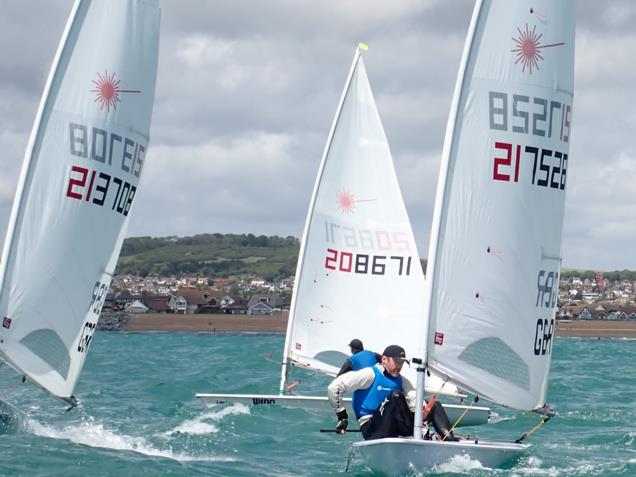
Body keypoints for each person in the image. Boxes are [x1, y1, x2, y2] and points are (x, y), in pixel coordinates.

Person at [327, 344, 459, 441]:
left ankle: (449, 440)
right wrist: (342, 416)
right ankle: (417, 435)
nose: (399, 366)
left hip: (397, 426)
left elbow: (415, 403)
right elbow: (334, 387)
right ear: (384, 359)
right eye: (396, 362)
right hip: (373, 429)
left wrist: (424, 414)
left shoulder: (402, 381)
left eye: (402, 362)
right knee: (395, 396)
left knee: (434, 406)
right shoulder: (370, 374)